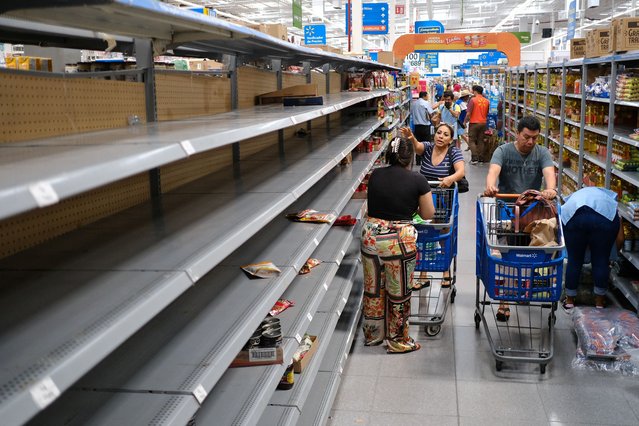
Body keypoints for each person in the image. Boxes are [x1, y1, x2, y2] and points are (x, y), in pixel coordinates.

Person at [361, 137, 435, 353]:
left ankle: (373, 335)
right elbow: (428, 213)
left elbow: (372, 205)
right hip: (398, 241)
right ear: (409, 157)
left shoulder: (375, 175)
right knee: (399, 292)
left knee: (373, 289)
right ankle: (397, 339)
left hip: (371, 236)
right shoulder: (417, 179)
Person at [484, 116, 557, 321]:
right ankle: (504, 303)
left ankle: (524, 288)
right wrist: (491, 185)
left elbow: (549, 173)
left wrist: (550, 188)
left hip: (533, 214)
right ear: (517, 133)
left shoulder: (542, 153)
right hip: (507, 211)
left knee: (530, 254)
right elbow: (493, 171)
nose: (531, 142)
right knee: (506, 256)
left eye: (535, 138)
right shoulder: (503, 151)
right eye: (526, 137)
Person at [401, 123, 465, 288]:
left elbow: (460, 171)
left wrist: (450, 178)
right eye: (438, 133)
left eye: (445, 134)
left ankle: (445, 272)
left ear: (451, 139)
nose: (440, 136)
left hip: (445, 200)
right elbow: (417, 147)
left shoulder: (454, 152)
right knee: (423, 235)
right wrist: (411, 137)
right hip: (424, 200)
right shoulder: (428, 148)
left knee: (443, 235)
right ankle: (423, 275)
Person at [560, 187, 625, 311]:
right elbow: (620, 240)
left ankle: (569, 301)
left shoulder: (573, 198)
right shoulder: (610, 202)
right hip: (604, 219)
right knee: (601, 260)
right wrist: (610, 255)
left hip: (574, 216)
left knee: (574, 260)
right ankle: (599, 302)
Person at [464, 85, 490, 165]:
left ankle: (474, 158)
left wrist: (465, 122)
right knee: (481, 140)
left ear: (475, 91)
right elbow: (487, 113)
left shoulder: (473, 100)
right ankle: (481, 158)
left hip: (474, 123)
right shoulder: (487, 101)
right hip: (483, 123)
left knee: (471, 140)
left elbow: (468, 114)